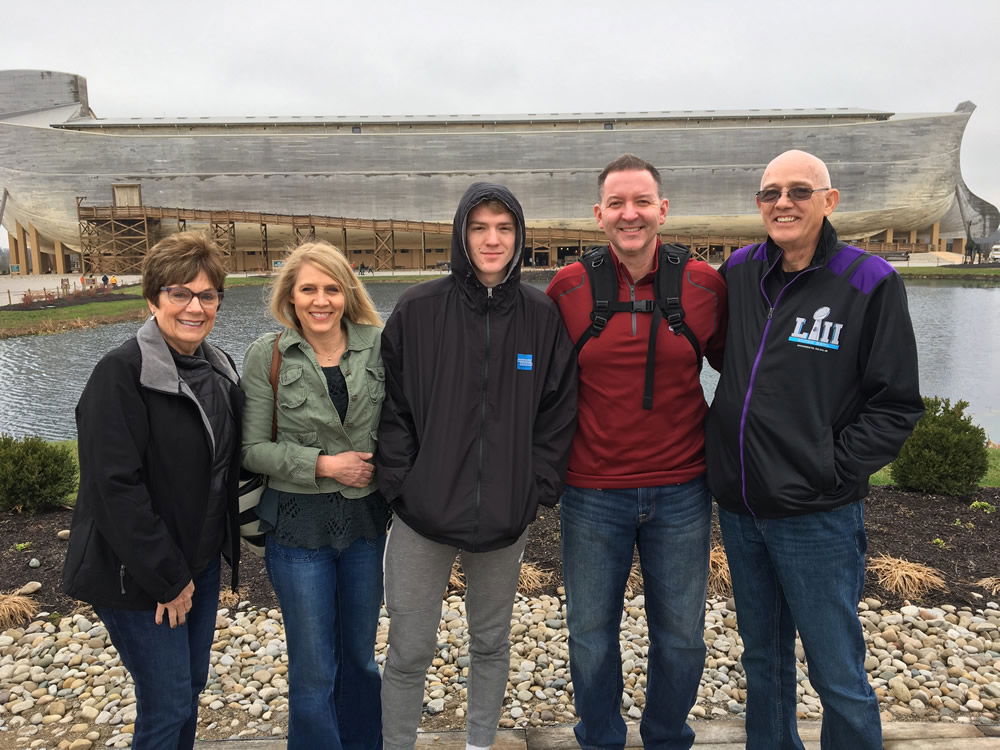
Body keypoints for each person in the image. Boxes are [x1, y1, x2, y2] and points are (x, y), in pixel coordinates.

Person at [706, 149, 924, 750]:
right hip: (744, 509)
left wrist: (830, 469)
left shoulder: (869, 281)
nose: (783, 203)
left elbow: (896, 404)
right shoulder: (741, 271)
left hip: (818, 515)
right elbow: (730, 361)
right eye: (770, 192)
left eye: (799, 191)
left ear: (829, 202)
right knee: (764, 661)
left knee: (837, 670)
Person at [376, 182, 577, 750]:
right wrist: (403, 486)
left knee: (490, 641)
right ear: (461, 234)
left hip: (504, 518)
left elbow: (558, 410)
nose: (492, 240)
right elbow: (392, 408)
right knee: (410, 648)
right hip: (421, 516)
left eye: (504, 228)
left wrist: (534, 488)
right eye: (479, 227)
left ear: (519, 237)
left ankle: (478, 743)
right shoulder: (417, 309)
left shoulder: (540, 315)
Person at [546, 154, 727, 749]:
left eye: (642, 202)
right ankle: (600, 737)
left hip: (682, 491)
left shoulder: (703, 285)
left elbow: (752, 369)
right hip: (593, 492)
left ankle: (666, 736)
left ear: (663, 210)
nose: (631, 214)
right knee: (590, 634)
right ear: (599, 216)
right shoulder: (567, 288)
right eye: (618, 204)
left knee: (681, 636)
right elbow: (535, 383)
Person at [63, 232, 242, 750]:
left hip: (200, 564)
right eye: (179, 293)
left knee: (188, 692)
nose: (195, 306)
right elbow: (114, 488)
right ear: (152, 299)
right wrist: (168, 579)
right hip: (142, 575)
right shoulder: (120, 375)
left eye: (207, 295)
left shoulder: (218, 367)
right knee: (166, 707)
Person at [241, 241, 388, 750]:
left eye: (331, 288)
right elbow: (252, 448)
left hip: (368, 526)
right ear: (291, 295)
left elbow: (407, 424)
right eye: (309, 289)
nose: (320, 300)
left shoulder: (378, 344)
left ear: (347, 294)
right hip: (299, 530)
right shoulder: (269, 355)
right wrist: (324, 465)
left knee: (361, 660)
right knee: (312, 670)